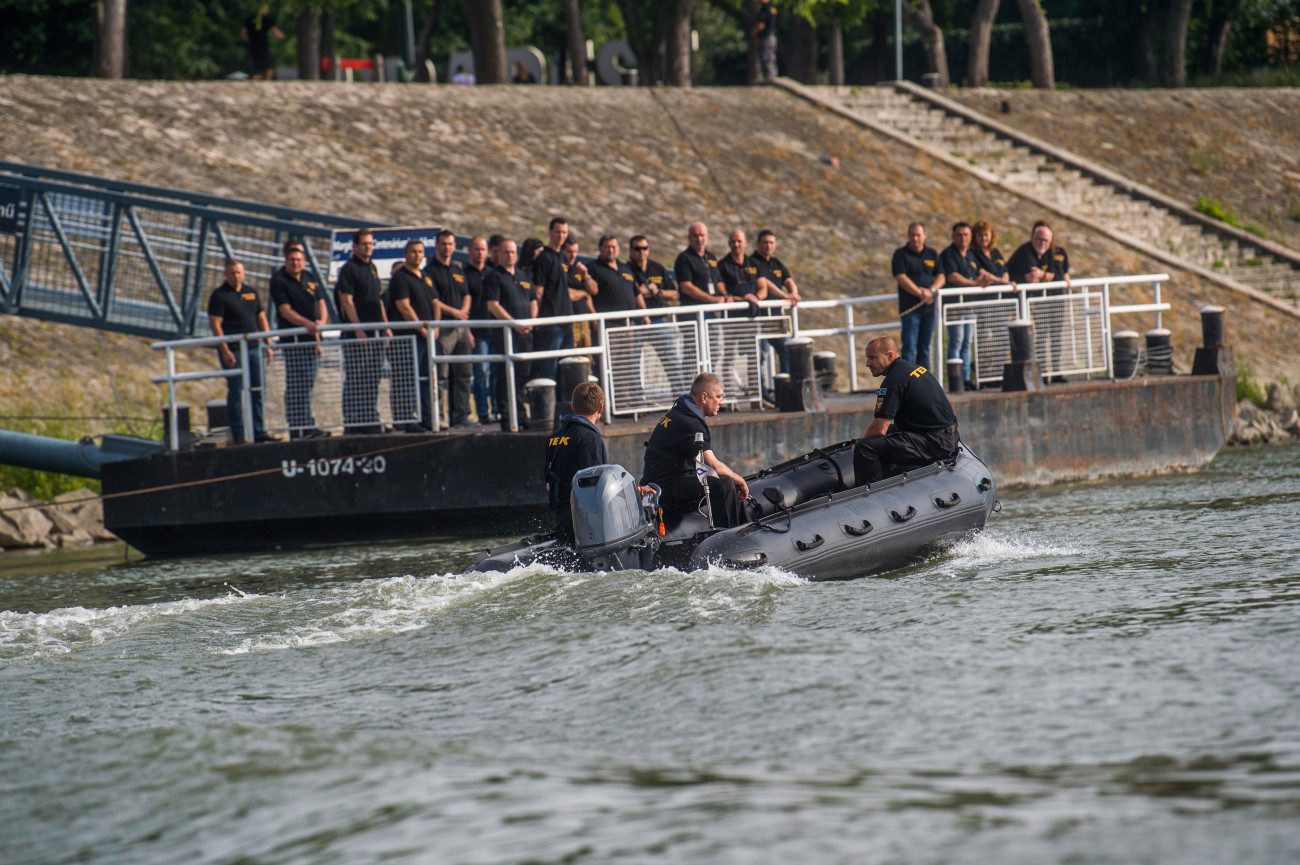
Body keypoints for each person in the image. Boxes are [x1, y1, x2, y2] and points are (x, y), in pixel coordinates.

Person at [641, 372, 750, 529]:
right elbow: (713, 466)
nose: (722, 402)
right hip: (663, 491)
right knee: (724, 484)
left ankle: (745, 529)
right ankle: (730, 540)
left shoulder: (680, 411)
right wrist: (740, 480)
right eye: (718, 397)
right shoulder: (690, 423)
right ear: (704, 397)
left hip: (662, 483)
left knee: (726, 481)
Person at [852, 336, 960, 487]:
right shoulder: (912, 368)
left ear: (890, 355)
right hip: (949, 436)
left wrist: (859, 444)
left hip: (935, 443)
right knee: (887, 433)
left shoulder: (893, 381)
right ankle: (886, 477)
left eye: (873, 358)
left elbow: (879, 428)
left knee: (865, 447)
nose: (867, 363)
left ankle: (872, 496)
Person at [208, 259, 278, 444]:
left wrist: (268, 343)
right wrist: (224, 350)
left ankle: (259, 432)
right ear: (226, 274)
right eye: (232, 273)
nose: (235, 276)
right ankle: (238, 434)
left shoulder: (251, 293)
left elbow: (261, 318)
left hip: (254, 349)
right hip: (234, 351)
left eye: (238, 272)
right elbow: (215, 324)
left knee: (258, 389)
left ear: (244, 273)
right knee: (236, 391)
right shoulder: (220, 295)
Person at [269, 243, 328, 438]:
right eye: (292, 260)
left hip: (311, 341)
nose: (295, 263)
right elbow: (285, 311)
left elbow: (320, 301)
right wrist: (307, 324)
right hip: (293, 341)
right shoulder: (279, 280)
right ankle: (297, 427)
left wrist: (320, 326)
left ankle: (307, 424)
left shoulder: (309, 277)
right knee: (296, 383)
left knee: (307, 383)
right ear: (286, 261)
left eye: (299, 260)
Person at [335, 228, 391, 434]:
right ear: (355, 246)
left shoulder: (372, 267)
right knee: (356, 378)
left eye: (371, 243)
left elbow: (377, 300)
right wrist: (358, 328)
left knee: (372, 377)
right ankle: (353, 422)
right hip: (357, 335)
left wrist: (386, 328)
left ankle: (369, 418)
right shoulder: (349, 269)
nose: (368, 247)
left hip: (376, 333)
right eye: (364, 244)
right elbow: (346, 301)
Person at [483, 239, 537, 430]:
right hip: (506, 335)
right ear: (498, 254)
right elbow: (493, 305)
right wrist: (514, 324)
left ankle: (521, 413)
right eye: (506, 252)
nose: (510, 256)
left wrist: (530, 322)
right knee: (505, 376)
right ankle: (506, 416)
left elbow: (533, 299)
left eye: (513, 252)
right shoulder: (493, 277)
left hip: (525, 334)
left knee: (523, 375)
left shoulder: (523, 275)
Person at [544, 381, 608, 544]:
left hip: (559, 513)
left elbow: (548, 480)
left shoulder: (555, 437)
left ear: (572, 406)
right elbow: (594, 482)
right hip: (582, 517)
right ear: (600, 408)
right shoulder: (589, 437)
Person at [386, 239, 439, 431]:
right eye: (413, 252)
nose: (417, 255)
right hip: (408, 337)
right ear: (406, 254)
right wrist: (422, 330)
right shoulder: (400, 278)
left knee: (426, 378)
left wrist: (436, 327)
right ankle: (406, 419)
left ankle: (426, 417)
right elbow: (404, 307)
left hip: (427, 337)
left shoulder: (425, 277)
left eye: (420, 252)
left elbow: (435, 302)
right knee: (406, 378)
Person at [1007, 220, 1071, 377]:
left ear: (1051, 241)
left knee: (1056, 336)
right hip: (1036, 302)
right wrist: (1043, 278)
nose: (1042, 243)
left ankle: (1056, 372)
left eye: (1046, 240)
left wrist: (1045, 276)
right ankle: (1042, 373)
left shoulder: (1058, 253)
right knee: (1040, 337)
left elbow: (1062, 276)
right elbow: (1026, 277)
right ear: (1032, 238)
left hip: (1056, 300)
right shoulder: (1024, 252)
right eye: (1039, 239)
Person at [425, 229, 475, 426]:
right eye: (443, 244)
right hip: (444, 327)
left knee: (464, 373)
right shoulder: (429, 271)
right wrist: (455, 313)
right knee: (441, 375)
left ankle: (461, 416)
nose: (447, 247)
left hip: (462, 327)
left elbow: (467, 295)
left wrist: (463, 313)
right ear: (437, 246)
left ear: (454, 246)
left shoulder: (457, 269)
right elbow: (434, 300)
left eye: (450, 244)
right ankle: (439, 417)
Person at [891, 222, 944, 369]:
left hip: (928, 310)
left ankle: (922, 381)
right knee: (909, 347)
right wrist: (920, 293)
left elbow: (941, 276)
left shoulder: (932, 254)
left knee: (924, 348)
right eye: (912, 235)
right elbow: (901, 278)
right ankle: (908, 381)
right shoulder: (901, 254)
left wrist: (931, 291)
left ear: (925, 235)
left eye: (918, 235)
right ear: (908, 236)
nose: (915, 238)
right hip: (910, 309)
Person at [939, 221, 984, 390]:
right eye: (959, 235)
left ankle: (965, 378)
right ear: (953, 236)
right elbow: (952, 277)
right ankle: (955, 379)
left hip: (970, 304)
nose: (962, 238)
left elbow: (979, 272)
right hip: (954, 305)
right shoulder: (948, 254)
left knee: (967, 342)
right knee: (956, 341)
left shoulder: (971, 255)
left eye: (965, 235)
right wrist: (974, 284)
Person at [532, 217, 576, 382]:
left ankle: (562, 407)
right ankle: (547, 407)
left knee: (567, 369)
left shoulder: (562, 258)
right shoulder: (544, 258)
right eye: (557, 232)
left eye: (564, 232)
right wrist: (538, 319)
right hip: (551, 323)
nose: (561, 235)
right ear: (550, 232)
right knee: (548, 369)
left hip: (566, 320)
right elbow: (538, 291)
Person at [751, 228, 800, 374]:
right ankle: (763, 391)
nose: (768, 246)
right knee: (760, 354)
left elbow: (788, 279)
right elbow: (765, 283)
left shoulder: (776, 263)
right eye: (765, 242)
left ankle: (786, 387)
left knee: (786, 351)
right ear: (757, 244)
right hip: (760, 318)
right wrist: (785, 296)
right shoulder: (751, 262)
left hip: (777, 318)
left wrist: (794, 293)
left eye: (771, 243)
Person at [464, 235, 498, 424]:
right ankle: (483, 412)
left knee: (495, 372)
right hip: (477, 332)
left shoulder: (493, 273)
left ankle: (496, 409)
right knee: (480, 373)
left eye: (483, 249)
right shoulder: (464, 274)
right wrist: (467, 330)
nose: (480, 253)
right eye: (476, 249)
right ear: (469, 250)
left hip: (494, 330)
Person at [674, 222, 730, 308]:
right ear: (689, 238)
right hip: (692, 309)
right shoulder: (684, 258)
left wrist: (725, 295)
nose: (699, 239)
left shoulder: (711, 257)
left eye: (702, 235)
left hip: (711, 308)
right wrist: (711, 299)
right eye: (695, 236)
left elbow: (718, 281)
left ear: (707, 236)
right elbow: (686, 287)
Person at [628, 235, 678, 311]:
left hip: (659, 314)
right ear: (630, 250)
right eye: (637, 249)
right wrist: (638, 292)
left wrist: (658, 292)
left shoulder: (658, 268)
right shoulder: (625, 270)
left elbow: (674, 294)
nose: (641, 251)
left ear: (648, 249)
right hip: (637, 315)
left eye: (644, 248)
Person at [718, 229, 764, 311]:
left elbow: (763, 288)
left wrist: (755, 298)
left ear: (745, 243)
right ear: (729, 243)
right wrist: (742, 299)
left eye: (739, 241)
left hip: (753, 312)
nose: (736, 244)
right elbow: (722, 292)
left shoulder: (754, 263)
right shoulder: (722, 265)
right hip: (732, 313)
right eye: (733, 241)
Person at [240, 5, 284, 81]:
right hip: (263, 46)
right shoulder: (267, 19)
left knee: (259, 69)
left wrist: (249, 41)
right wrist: (282, 36)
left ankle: (254, 79)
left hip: (252, 46)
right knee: (269, 69)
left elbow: (243, 33)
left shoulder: (249, 19)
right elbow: (277, 33)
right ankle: (261, 83)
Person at [970, 219, 1012, 290]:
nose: (983, 238)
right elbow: (981, 272)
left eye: (986, 235)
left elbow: (1004, 269)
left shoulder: (995, 251)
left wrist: (1005, 279)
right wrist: (1000, 282)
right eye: (980, 235)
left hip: (1001, 289)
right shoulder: (972, 253)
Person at [753, 0, 778, 80]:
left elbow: (761, 25)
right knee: (770, 58)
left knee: (766, 58)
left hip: (766, 37)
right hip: (771, 36)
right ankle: (771, 77)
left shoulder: (765, 9)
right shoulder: (772, 8)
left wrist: (754, 32)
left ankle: (770, 79)